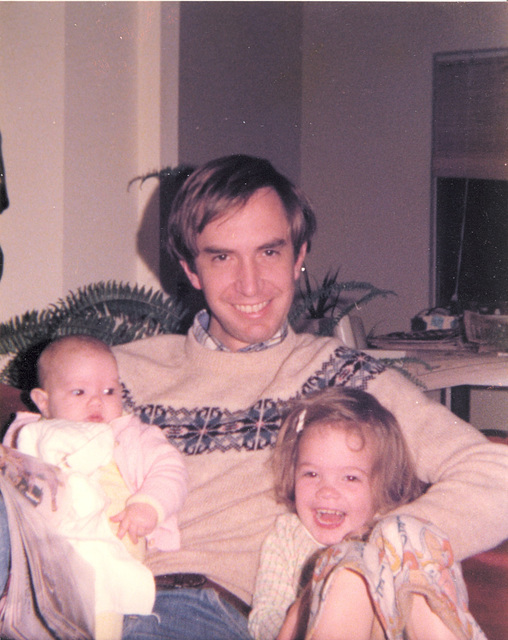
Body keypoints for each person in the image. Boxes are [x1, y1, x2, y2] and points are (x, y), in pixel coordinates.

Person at [110, 154, 508, 640]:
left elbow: (494, 475)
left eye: (270, 252)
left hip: (224, 617)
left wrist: (369, 548)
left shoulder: (343, 377)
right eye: (221, 257)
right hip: (105, 603)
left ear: (299, 257)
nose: (250, 283)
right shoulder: (118, 376)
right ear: (192, 270)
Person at [248, 386, 487, 640]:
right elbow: (265, 615)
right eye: (311, 474)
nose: (327, 491)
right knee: (350, 561)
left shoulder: (401, 536)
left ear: (382, 486)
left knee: (405, 534)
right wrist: (302, 617)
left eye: (350, 478)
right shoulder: (286, 537)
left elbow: (450, 593)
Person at [4, 335, 188, 640]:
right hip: (43, 550)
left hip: (110, 543)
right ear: (44, 401)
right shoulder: (29, 434)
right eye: (79, 391)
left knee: (102, 589)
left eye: (109, 390)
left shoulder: (131, 435)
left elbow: (170, 470)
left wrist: (149, 505)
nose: (97, 401)